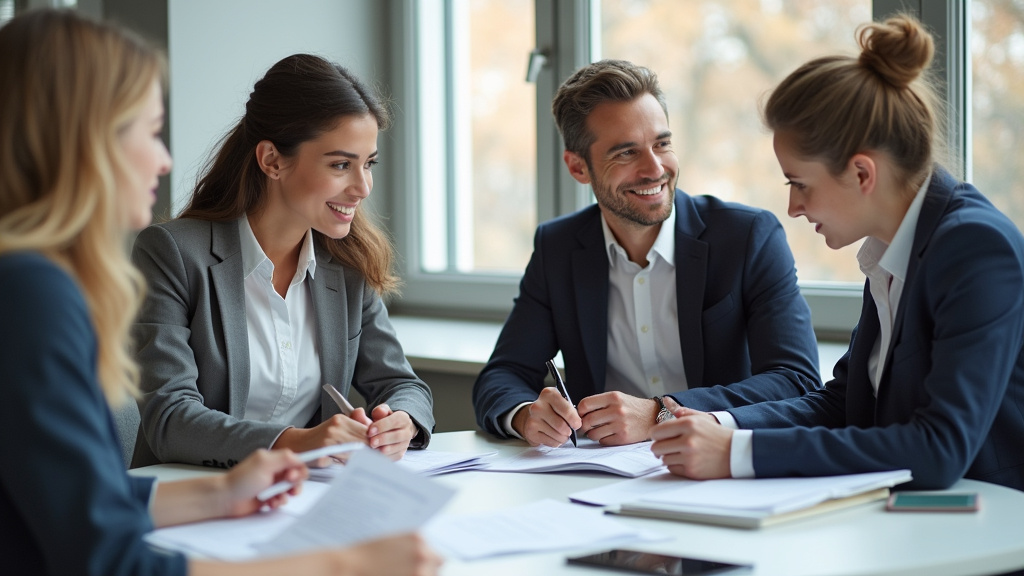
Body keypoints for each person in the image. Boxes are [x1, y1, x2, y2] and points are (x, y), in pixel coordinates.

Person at [0, 9, 442, 576]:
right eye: (148, 131)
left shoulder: (37, 283)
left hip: (269, 502)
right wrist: (340, 565)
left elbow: (82, 503)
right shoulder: (37, 293)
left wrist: (224, 492)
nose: (164, 159)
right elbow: (106, 551)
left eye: (368, 164)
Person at [650, 14, 1024, 492]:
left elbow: (940, 449)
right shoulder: (892, 248)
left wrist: (737, 454)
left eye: (800, 183)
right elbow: (844, 404)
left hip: (992, 520)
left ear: (862, 174)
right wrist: (721, 425)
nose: (793, 206)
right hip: (910, 517)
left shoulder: (975, 248)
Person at [472, 59, 822, 448]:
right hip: (597, 470)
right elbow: (502, 375)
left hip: (718, 461)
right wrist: (526, 414)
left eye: (662, 144)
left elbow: (796, 380)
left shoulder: (748, 237)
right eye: (626, 153)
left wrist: (660, 413)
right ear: (578, 167)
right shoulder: (558, 247)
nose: (654, 169)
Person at [130, 53, 434, 468]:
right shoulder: (172, 254)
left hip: (303, 495)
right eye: (341, 164)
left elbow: (403, 384)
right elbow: (170, 419)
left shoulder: (347, 264)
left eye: (368, 164)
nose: (363, 187)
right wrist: (296, 442)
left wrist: (401, 420)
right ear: (272, 160)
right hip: (194, 491)